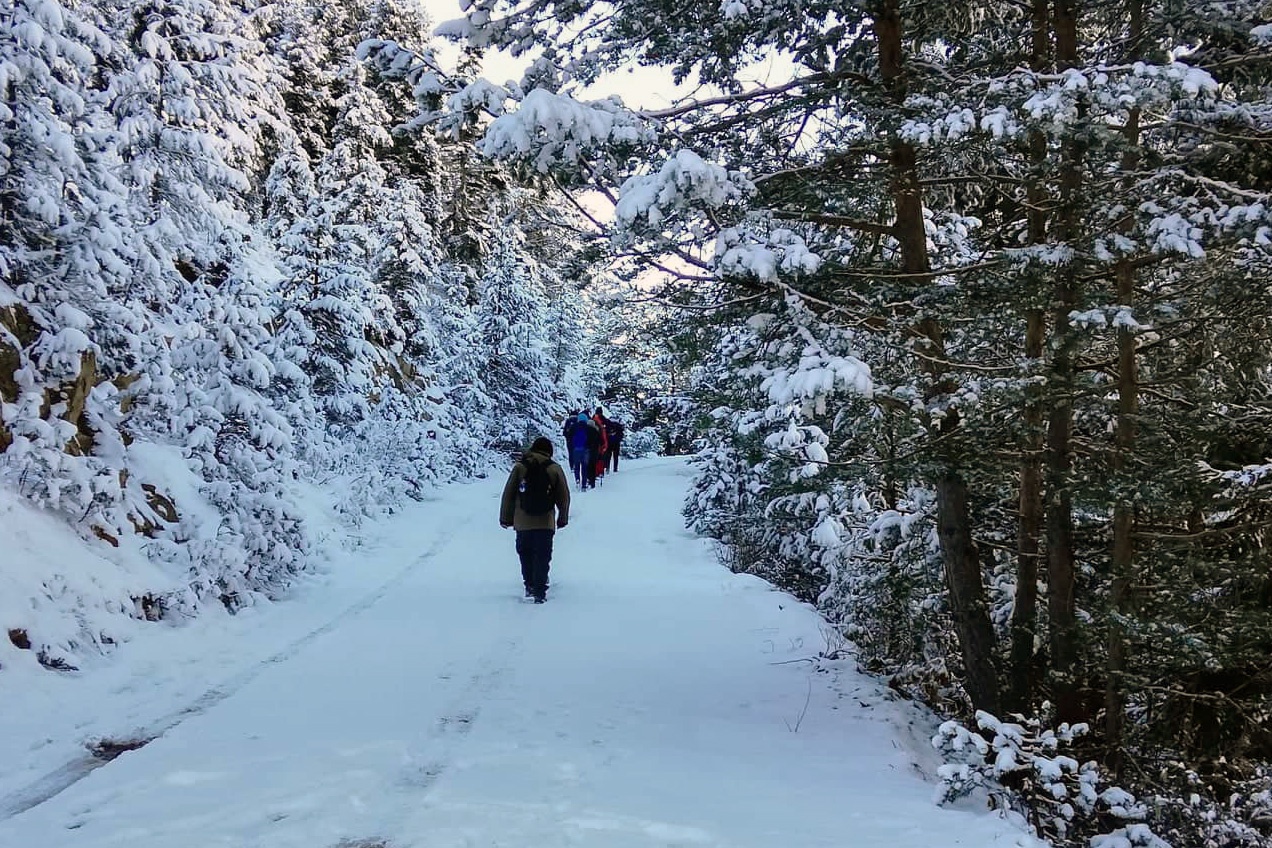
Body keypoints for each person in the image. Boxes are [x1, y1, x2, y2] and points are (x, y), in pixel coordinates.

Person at [499, 437, 570, 603]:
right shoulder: (554, 469)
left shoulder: (520, 467)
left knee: (525, 553)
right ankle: (540, 590)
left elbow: (508, 494)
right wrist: (563, 517)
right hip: (545, 521)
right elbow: (563, 496)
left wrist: (506, 518)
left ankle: (529, 584)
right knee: (543, 555)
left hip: (522, 522)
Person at [570, 411, 591, 487]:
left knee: (577, 466)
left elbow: (569, 437)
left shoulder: (574, 427)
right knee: (584, 467)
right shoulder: (588, 428)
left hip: (576, 449)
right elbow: (590, 439)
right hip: (585, 449)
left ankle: (577, 479)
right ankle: (584, 484)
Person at [583, 411, 603, 490]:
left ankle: (587, 479)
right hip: (594, 451)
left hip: (586, 450)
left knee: (587, 465)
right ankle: (592, 481)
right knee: (593, 465)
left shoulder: (585, 431)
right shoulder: (596, 431)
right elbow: (601, 442)